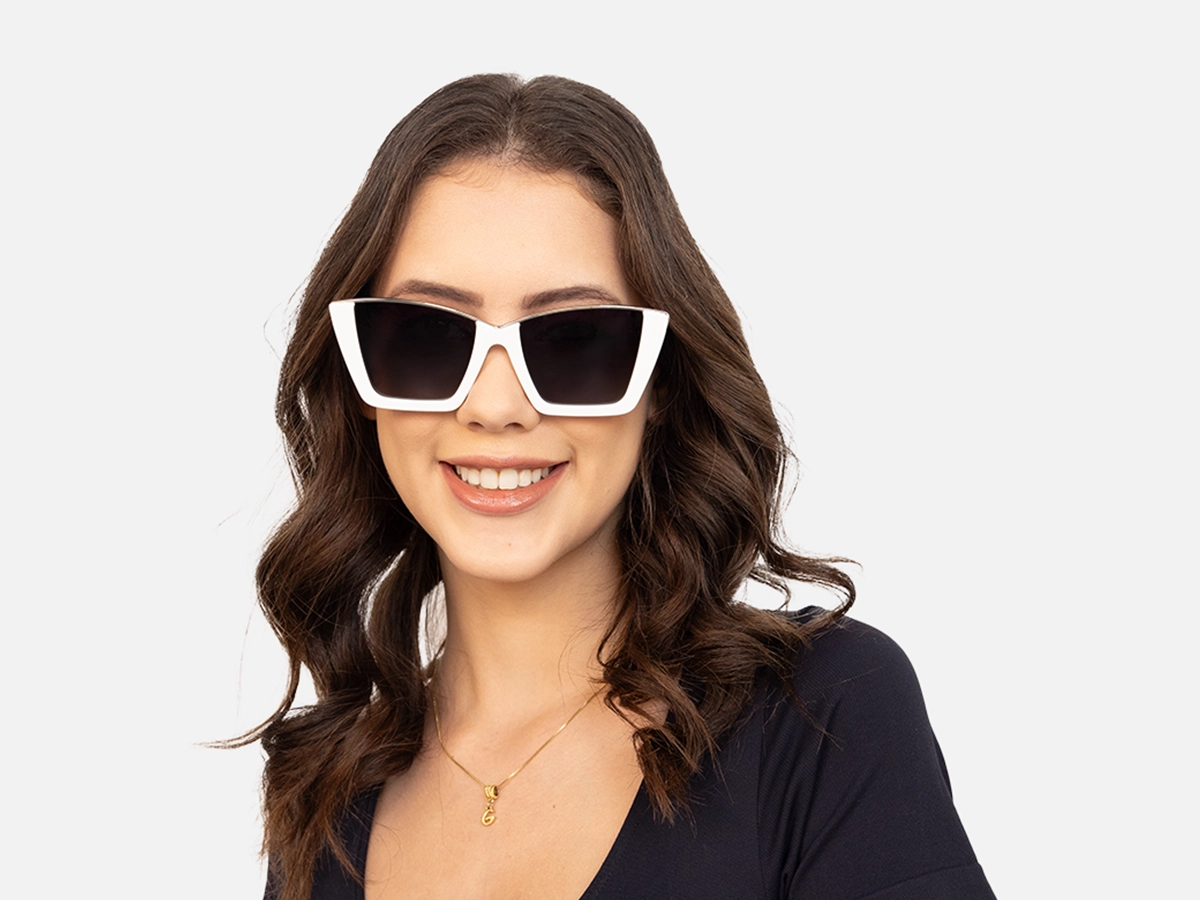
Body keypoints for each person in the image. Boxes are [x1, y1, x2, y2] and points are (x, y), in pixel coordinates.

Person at [252, 73, 995, 900]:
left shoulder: (822, 712)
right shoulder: (325, 795)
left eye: (574, 342)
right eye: (426, 337)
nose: (496, 407)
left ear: (660, 382)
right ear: (361, 377)